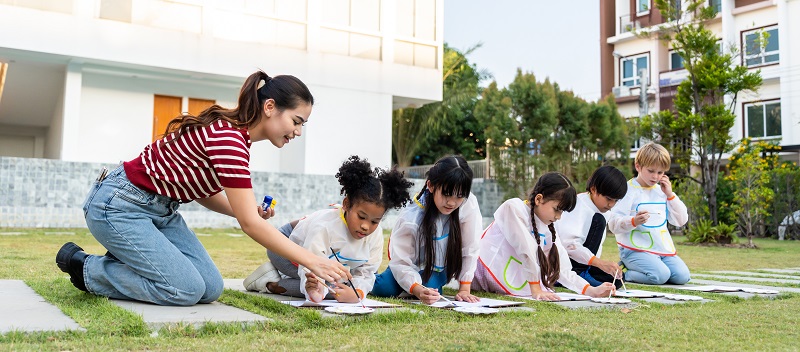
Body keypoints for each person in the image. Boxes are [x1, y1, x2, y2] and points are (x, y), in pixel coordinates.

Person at [55, 71, 350, 306]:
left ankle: (131, 256)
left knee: (209, 288)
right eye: (296, 121)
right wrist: (312, 260)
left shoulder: (235, 138)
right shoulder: (230, 140)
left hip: (161, 212)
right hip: (119, 205)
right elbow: (249, 225)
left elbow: (204, 191)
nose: (298, 132)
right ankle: (85, 267)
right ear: (270, 107)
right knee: (183, 289)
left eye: (303, 125)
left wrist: (248, 212)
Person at [243, 156, 412, 303]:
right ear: (346, 204)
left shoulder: (375, 235)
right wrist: (314, 288)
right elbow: (309, 263)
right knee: (331, 291)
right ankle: (267, 282)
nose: (366, 226)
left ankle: (281, 278)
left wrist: (358, 293)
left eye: (375, 221)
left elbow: (367, 273)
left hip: (314, 259)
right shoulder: (325, 227)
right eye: (361, 216)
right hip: (284, 246)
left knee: (340, 290)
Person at [472, 172, 615, 300]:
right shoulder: (513, 208)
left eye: (562, 212)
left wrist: (590, 290)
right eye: (556, 210)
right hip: (480, 273)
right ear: (539, 199)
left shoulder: (548, 228)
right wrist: (536, 289)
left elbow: (562, 268)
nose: (559, 217)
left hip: (508, 279)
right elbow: (526, 249)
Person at [370, 155, 482, 305]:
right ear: (430, 186)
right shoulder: (412, 217)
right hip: (409, 266)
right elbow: (401, 262)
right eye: (446, 194)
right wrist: (417, 289)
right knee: (384, 288)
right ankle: (364, 276)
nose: (452, 202)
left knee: (431, 288)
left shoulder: (468, 205)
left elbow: (470, 248)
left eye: (459, 196)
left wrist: (464, 289)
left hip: (436, 269)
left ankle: (417, 287)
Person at [607, 142, 690, 285]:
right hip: (635, 250)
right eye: (651, 171)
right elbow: (613, 223)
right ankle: (626, 273)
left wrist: (670, 195)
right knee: (660, 276)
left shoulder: (662, 191)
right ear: (638, 166)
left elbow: (681, 220)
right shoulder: (627, 190)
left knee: (682, 277)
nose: (655, 177)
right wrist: (633, 221)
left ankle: (653, 268)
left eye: (660, 172)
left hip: (661, 250)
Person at [557, 165, 627, 289]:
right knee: (598, 221)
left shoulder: (605, 210)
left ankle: (583, 275)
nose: (611, 204)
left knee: (617, 278)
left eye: (616, 201)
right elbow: (569, 245)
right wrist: (599, 263)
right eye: (609, 199)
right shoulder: (578, 205)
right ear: (594, 190)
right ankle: (571, 276)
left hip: (586, 264)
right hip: (562, 263)